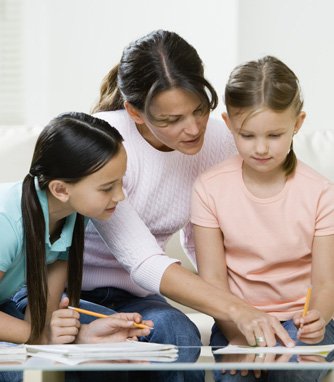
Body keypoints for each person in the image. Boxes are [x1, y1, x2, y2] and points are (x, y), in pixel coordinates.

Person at [60, 30, 296, 380]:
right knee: (111, 348)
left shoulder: (219, 141)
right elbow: (142, 260)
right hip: (66, 290)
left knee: (178, 333)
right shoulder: (107, 143)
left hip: (136, 297)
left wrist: (242, 316)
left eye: (199, 109)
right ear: (135, 112)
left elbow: (205, 238)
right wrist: (236, 310)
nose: (192, 129)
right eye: (171, 120)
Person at [190, 55, 334, 381]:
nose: (261, 149)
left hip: (300, 320)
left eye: (274, 135)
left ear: (297, 124)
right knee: (238, 375)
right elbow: (213, 281)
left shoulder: (322, 193)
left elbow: (326, 283)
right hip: (235, 319)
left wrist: (318, 319)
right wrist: (237, 331)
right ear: (228, 124)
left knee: (287, 375)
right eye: (247, 135)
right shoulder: (209, 189)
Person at [0, 112, 152, 382]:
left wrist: (78, 335)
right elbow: (39, 334)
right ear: (60, 189)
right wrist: (42, 336)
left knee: (107, 351)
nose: (120, 196)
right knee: (16, 366)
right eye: (107, 188)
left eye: (120, 182)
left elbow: (42, 321)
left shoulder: (68, 216)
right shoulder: (6, 220)